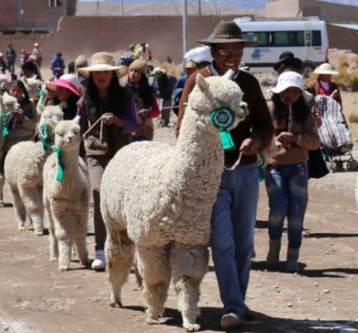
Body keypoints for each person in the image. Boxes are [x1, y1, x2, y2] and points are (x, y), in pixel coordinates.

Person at [175, 21, 274, 329]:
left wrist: (256, 141)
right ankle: (232, 305)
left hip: (243, 170)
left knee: (244, 242)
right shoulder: (199, 81)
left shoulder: (250, 83)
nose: (232, 56)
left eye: (237, 50)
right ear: (214, 52)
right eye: (225, 51)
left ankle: (237, 305)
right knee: (222, 241)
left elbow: (265, 125)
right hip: (211, 175)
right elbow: (183, 126)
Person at [77, 52, 138, 271]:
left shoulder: (125, 96)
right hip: (95, 155)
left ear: (112, 75)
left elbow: (134, 125)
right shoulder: (84, 100)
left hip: (121, 154)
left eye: (105, 72)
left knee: (124, 200)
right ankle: (100, 249)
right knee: (99, 193)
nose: (101, 76)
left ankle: (125, 249)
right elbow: (80, 129)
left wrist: (118, 121)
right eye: (97, 73)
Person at [265, 71, 320, 273]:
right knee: (277, 211)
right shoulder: (269, 109)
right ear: (279, 91)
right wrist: (273, 140)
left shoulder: (305, 113)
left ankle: (292, 256)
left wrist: (295, 138)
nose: (290, 96)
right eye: (287, 91)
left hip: (299, 167)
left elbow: (315, 142)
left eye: (295, 92)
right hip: (274, 166)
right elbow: (261, 135)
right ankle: (273, 251)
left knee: (296, 215)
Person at [125, 59, 160, 141]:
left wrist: (148, 112)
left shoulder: (149, 92)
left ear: (142, 75)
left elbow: (157, 112)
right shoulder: (123, 91)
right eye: (131, 70)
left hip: (145, 133)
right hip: (127, 132)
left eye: (136, 71)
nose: (133, 74)